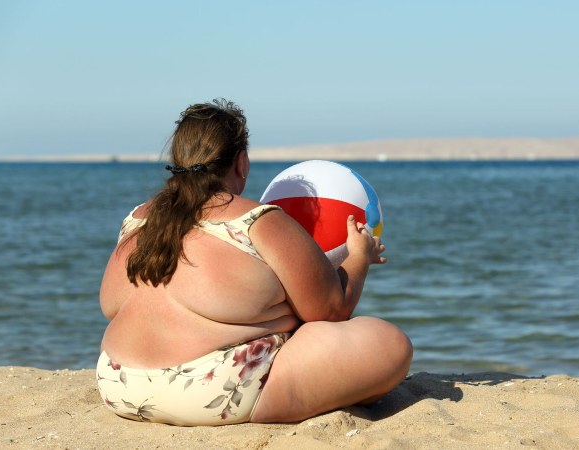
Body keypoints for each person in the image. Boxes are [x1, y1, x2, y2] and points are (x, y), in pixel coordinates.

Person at [96, 99, 412, 425]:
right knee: (389, 343)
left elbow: (110, 305)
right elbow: (331, 309)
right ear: (241, 163)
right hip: (206, 393)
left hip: (119, 384)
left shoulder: (138, 219)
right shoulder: (256, 220)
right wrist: (358, 256)